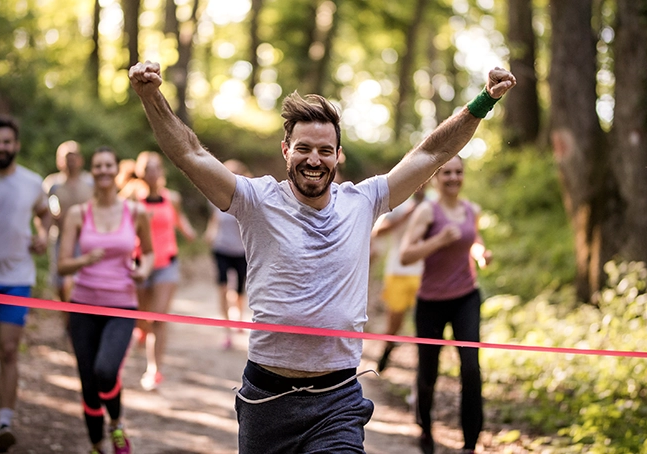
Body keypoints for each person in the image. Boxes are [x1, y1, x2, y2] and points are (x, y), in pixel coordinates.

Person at [129, 60, 515, 453]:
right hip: (267, 400)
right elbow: (191, 154)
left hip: (338, 399)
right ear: (286, 150)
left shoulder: (364, 201)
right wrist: (151, 96)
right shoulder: (255, 201)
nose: (314, 159)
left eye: (325, 150)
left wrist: (483, 101)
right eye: (304, 148)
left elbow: (431, 153)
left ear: (338, 155)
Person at [57, 146, 154, 454]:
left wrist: (144, 270)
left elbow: (149, 254)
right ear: (92, 170)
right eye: (97, 166)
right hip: (83, 305)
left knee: (105, 370)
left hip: (122, 306)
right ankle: (97, 445)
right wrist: (84, 260)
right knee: (87, 380)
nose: (102, 171)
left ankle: (116, 422)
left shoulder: (135, 211)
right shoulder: (78, 213)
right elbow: (61, 265)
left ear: (116, 170)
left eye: (107, 165)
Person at [0, 115, 51, 452]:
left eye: (7, 142)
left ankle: (4, 421)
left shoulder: (32, 183)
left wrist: (44, 234)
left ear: (16, 145)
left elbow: (45, 213)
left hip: (17, 278)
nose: (1, 147)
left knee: (10, 349)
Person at [399, 156, 492, 454]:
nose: (453, 178)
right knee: (429, 373)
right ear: (437, 177)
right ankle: (425, 427)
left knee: (471, 369)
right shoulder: (427, 212)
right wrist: (438, 241)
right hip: (431, 303)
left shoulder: (470, 210)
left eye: (458, 172)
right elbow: (406, 255)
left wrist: (480, 253)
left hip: (466, 297)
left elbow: (472, 239)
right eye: (447, 173)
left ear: (464, 175)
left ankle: (470, 443)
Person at [128, 151, 196, 391]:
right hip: (140, 265)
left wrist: (189, 232)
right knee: (141, 318)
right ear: (140, 173)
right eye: (147, 168)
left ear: (161, 172)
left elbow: (179, 220)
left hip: (167, 264)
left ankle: (153, 370)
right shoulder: (132, 199)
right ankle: (142, 331)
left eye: (156, 167)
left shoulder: (172, 198)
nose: (152, 172)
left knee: (159, 318)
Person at [371, 185, 426, 373]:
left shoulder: (434, 201)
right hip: (398, 271)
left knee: (426, 326)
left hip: (427, 273)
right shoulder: (400, 201)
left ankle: (423, 369)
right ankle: (387, 350)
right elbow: (378, 231)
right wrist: (407, 213)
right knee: (394, 323)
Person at [204, 159, 250, 350]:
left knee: (238, 291)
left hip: (241, 251)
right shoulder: (215, 196)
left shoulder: (248, 198)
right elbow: (215, 217)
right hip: (221, 248)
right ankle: (227, 329)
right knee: (223, 288)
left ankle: (237, 316)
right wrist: (211, 230)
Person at [45, 140, 93, 302]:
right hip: (59, 236)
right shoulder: (52, 184)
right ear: (59, 160)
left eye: (73, 156)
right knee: (60, 278)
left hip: (85, 237)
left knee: (84, 276)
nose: (70, 161)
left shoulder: (90, 182)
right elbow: (46, 208)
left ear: (81, 159)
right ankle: (65, 311)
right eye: (66, 157)